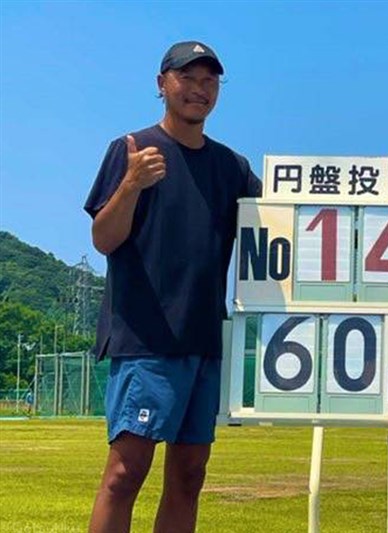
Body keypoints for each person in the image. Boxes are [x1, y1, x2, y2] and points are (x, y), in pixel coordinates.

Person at [84, 41, 261, 533]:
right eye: (187, 78)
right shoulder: (131, 150)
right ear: (162, 83)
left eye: (209, 81)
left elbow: (282, 228)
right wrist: (131, 185)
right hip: (145, 340)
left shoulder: (233, 168)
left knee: (189, 475)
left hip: (205, 340)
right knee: (125, 472)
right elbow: (103, 238)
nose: (198, 90)